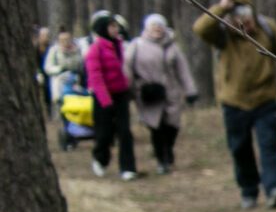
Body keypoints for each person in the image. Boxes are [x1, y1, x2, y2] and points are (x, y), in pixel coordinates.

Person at [193, 0, 276, 208]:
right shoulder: (223, 33)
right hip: (234, 102)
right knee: (240, 148)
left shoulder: (268, 29)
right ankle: (248, 191)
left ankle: (273, 189)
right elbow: (200, 28)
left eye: (247, 16)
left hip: (266, 100)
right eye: (238, 17)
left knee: (269, 145)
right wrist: (221, 7)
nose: (244, 22)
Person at [124, 14, 198, 175]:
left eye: (160, 26)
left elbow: (183, 70)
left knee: (172, 125)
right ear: (147, 28)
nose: (157, 29)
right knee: (156, 127)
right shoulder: (136, 45)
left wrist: (190, 90)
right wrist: (130, 89)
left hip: (171, 91)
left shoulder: (172, 47)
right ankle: (161, 159)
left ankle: (168, 149)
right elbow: (127, 68)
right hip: (148, 92)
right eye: (153, 26)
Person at [83, 12, 137, 181]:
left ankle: (128, 167)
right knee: (104, 132)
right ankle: (100, 158)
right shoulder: (95, 49)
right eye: (112, 26)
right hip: (102, 97)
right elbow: (95, 76)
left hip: (121, 94)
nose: (116, 29)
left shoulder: (121, 45)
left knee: (125, 132)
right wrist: (106, 101)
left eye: (116, 26)